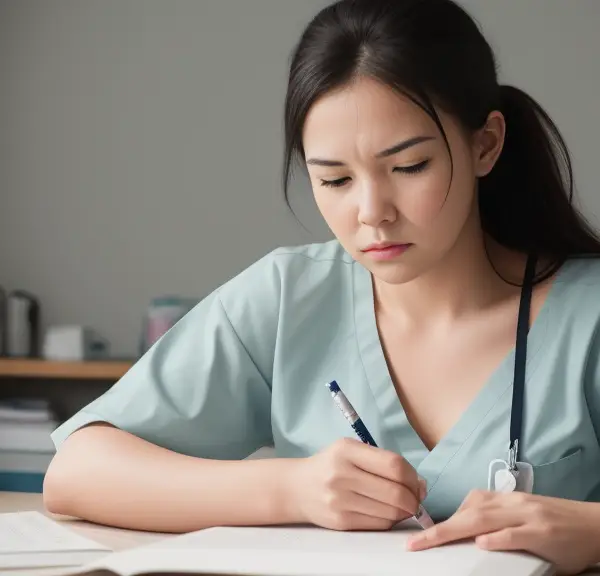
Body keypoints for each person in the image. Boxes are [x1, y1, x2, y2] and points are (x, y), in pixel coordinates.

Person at [44, 0, 600, 573]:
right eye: (334, 179)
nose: (371, 212)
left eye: (409, 167)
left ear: (485, 145)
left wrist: (592, 530)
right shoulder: (291, 297)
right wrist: (293, 489)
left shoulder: (589, 315)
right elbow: (76, 473)